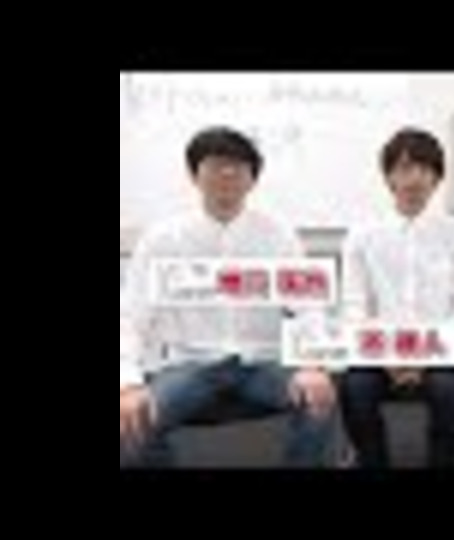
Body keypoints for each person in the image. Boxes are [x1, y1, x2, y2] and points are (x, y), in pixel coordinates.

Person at [119, 126, 338, 468]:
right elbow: (130, 317)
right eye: (215, 165)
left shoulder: (277, 235)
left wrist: (312, 365)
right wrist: (128, 384)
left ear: (253, 178)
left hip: (261, 361)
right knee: (134, 419)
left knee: (319, 401)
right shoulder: (163, 239)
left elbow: (309, 307)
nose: (227, 174)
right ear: (194, 174)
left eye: (238, 166)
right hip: (189, 363)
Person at [337, 128, 454, 469]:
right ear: (389, 176)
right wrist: (387, 356)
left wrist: (426, 358)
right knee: (355, 389)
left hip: (440, 351)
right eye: (403, 169)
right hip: (379, 350)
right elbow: (354, 307)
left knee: (449, 390)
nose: (414, 179)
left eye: (424, 169)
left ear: (437, 178)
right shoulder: (362, 235)